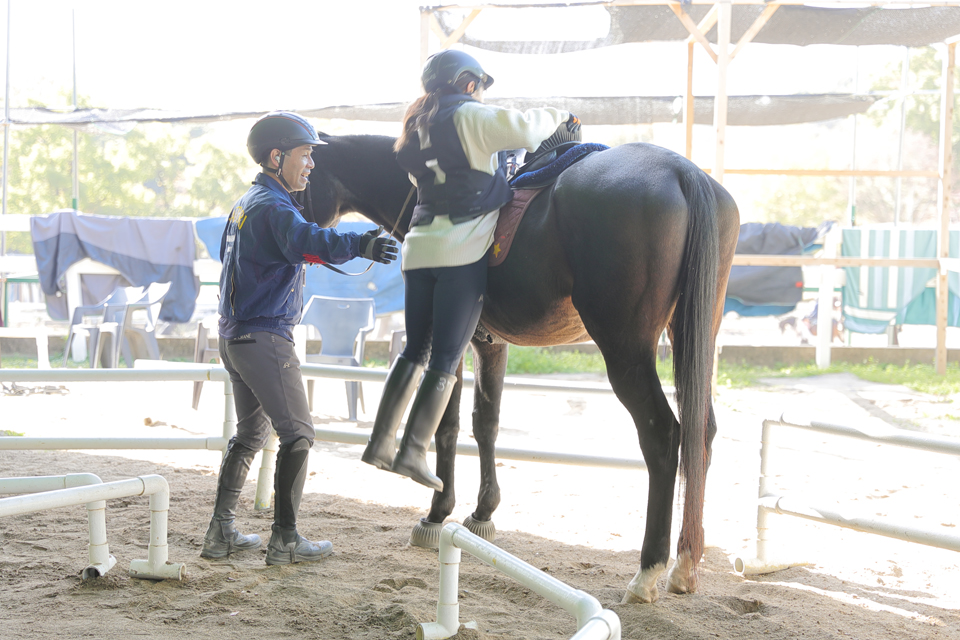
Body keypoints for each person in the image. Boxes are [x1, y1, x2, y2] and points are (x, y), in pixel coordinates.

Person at [361, 50, 579, 491]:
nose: (480, 92)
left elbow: (420, 181)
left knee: (414, 350)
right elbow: (526, 129)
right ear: (466, 84)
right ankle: (413, 451)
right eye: (479, 85)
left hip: (418, 250)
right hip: (459, 254)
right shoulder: (472, 117)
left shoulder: (413, 129)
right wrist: (560, 113)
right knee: (446, 355)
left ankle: (382, 443)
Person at [202, 111, 398, 564]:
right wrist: (363, 243)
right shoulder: (274, 207)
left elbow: (288, 247)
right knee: (299, 435)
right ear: (277, 157)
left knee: (250, 433)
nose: (310, 164)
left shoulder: (247, 202)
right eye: (305, 155)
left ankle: (221, 532)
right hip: (264, 336)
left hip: (235, 336)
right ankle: (286, 539)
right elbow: (310, 238)